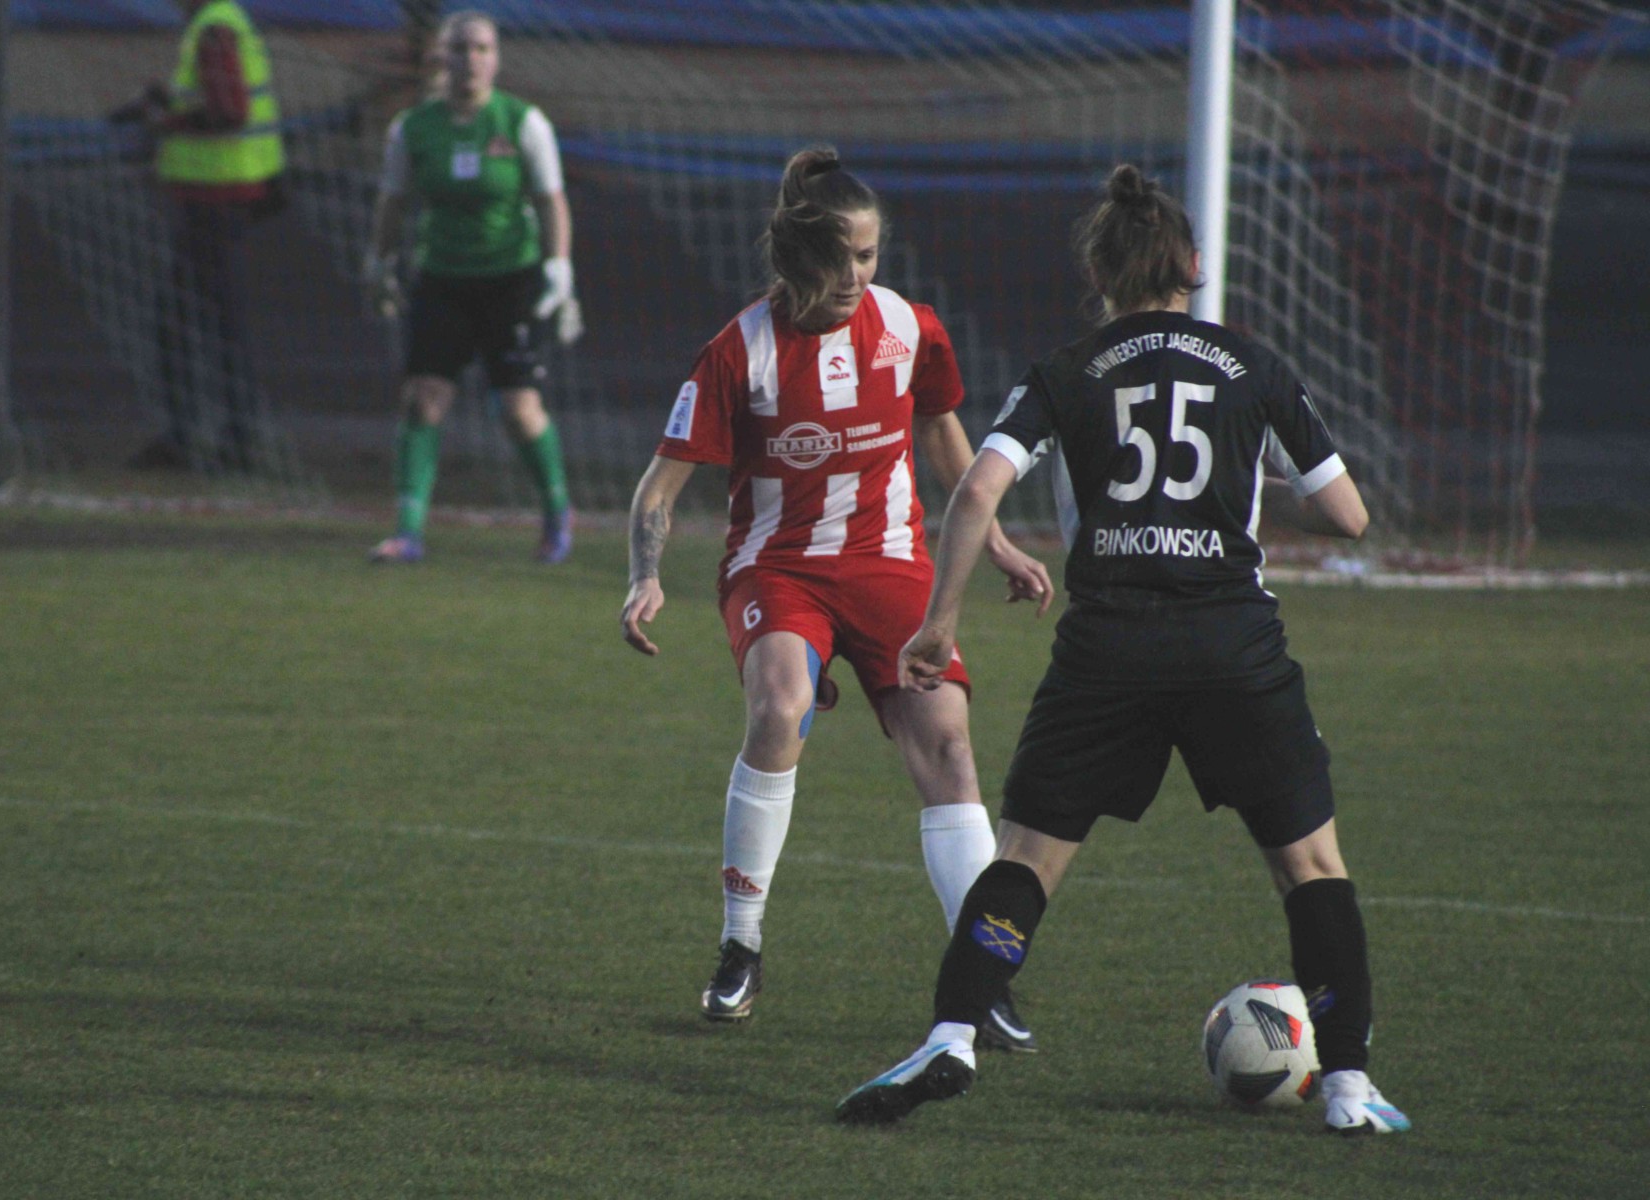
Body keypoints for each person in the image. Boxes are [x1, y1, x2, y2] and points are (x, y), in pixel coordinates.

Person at [835, 165, 1410, 1136]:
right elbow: (1347, 514)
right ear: (1194, 265)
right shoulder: (1253, 363)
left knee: (1026, 860)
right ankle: (1349, 1088)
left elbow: (977, 489)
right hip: (1233, 643)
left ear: (1098, 275)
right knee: (1312, 863)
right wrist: (1237, 498)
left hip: (1107, 648)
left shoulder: (1069, 369)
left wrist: (940, 624)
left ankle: (952, 1036)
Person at [620, 147, 1054, 1049]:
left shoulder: (909, 328)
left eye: (870, 255)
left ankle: (981, 979)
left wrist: (1000, 543)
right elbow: (659, 488)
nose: (859, 275)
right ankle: (741, 947)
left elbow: (942, 433)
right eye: (843, 257)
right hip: (777, 567)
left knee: (949, 745)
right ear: (799, 258)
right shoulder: (739, 350)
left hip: (891, 564)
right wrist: (644, 574)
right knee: (779, 707)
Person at [365, 10, 580, 565]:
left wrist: (559, 268)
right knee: (423, 398)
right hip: (442, 279)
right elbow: (393, 201)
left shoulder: (522, 122)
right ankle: (407, 532)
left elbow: (550, 199)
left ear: (496, 58)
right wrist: (380, 261)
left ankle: (557, 513)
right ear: (443, 57)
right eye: (461, 48)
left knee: (519, 408)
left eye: (483, 48)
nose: (472, 59)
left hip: (511, 280)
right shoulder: (414, 128)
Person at [115, 0, 285, 473]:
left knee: (193, 320)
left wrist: (163, 124)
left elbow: (229, 112)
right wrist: (165, 98)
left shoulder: (214, 31)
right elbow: (218, 99)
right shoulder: (224, 23)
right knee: (197, 318)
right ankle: (216, 437)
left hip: (215, 196)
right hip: (226, 195)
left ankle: (213, 439)